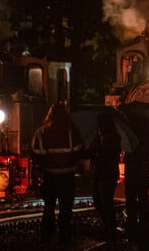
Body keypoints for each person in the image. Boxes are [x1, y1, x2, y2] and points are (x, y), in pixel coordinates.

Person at [31, 103, 83, 244]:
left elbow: (36, 155)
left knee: (49, 208)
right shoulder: (71, 131)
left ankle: (46, 236)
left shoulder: (41, 132)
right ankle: (65, 236)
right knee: (66, 208)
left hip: (49, 176)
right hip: (67, 176)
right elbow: (78, 151)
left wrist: (38, 171)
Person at [124, 112, 149, 234]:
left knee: (130, 197)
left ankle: (131, 223)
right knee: (143, 195)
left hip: (131, 167)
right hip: (143, 166)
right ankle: (145, 222)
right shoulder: (148, 127)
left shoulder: (128, 127)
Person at [91, 113, 123, 243]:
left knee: (105, 202)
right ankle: (108, 229)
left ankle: (110, 231)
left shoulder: (112, 139)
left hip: (106, 173)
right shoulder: (102, 138)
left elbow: (104, 154)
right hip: (102, 173)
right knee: (100, 201)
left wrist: (98, 147)